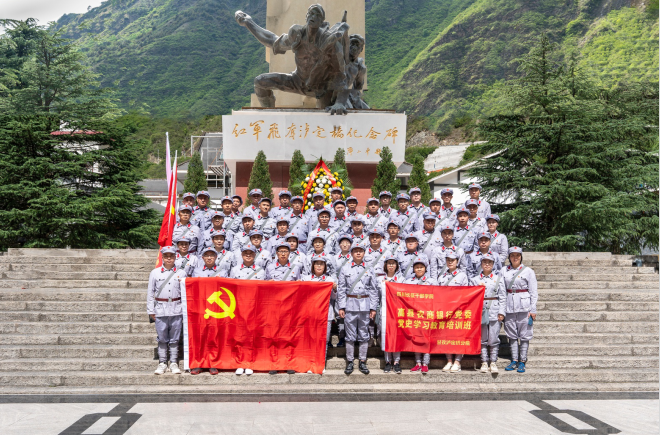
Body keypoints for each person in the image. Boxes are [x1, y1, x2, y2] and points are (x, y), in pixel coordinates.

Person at [337, 243, 378, 375]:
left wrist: (373, 308)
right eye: (356, 251)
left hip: (365, 305)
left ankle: (362, 360)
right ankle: (350, 361)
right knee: (349, 335)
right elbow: (341, 289)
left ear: (364, 253)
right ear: (351, 253)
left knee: (364, 334)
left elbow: (373, 290)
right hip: (350, 304)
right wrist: (341, 306)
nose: (358, 253)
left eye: (361, 251)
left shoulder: (369, 269)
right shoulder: (345, 268)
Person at [147, 246, 186, 375]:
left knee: (175, 338)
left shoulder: (181, 273)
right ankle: (162, 362)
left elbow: (185, 293)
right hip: (160, 309)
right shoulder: (155, 273)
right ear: (162, 258)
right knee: (162, 338)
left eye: (171, 256)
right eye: (166, 256)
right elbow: (150, 292)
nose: (169, 258)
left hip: (176, 308)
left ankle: (174, 362)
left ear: (175, 257)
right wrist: (150, 310)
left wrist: (184, 310)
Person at [229, 244, 266, 377]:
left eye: (251, 253)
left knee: (252, 336)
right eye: (245, 253)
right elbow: (230, 289)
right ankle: (240, 362)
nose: (248, 255)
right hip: (239, 307)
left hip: (254, 308)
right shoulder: (235, 270)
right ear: (242, 255)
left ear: (255, 255)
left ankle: (250, 362)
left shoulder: (261, 271)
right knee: (239, 336)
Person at [503, 247, 538, 374]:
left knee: (524, 334)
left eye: (517, 255)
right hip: (509, 305)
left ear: (521, 257)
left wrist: (533, 309)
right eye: (512, 255)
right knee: (511, 334)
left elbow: (533, 291)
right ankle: (514, 359)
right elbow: (501, 289)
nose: (515, 258)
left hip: (524, 306)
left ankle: (522, 360)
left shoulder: (528, 271)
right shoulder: (503, 270)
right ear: (509, 257)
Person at [470, 253, 506, 373]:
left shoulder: (498, 279)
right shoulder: (475, 280)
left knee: (494, 338)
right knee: (483, 338)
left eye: (489, 262)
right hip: (480, 310)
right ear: (481, 264)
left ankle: (493, 362)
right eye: (484, 262)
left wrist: (502, 312)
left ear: (493, 264)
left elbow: (502, 297)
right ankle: (484, 361)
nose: (487, 264)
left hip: (494, 310)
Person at [301, 255, 336, 373]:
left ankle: (321, 363)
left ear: (325, 266)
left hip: (326, 313)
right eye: (317, 263)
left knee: (323, 339)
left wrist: (334, 289)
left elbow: (334, 297)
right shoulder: (306, 279)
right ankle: (309, 363)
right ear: (313, 266)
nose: (319, 266)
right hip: (310, 313)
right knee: (310, 339)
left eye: (321, 264)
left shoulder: (330, 280)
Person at [403, 256, 436, 374]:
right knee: (416, 338)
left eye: (421, 267)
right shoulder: (408, 282)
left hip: (427, 313)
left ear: (425, 268)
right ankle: (418, 363)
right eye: (417, 267)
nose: (419, 269)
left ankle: (425, 363)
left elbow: (437, 296)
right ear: (413, 269)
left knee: (427, 338)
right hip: (414, 314)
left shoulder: (431, 281)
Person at [438, 252, 469, 373]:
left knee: (459, 337)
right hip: (445, 311)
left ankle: (457, 361)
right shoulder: (442, 277)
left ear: (457, 261)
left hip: (458, 311)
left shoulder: (462, 276)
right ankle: (449, 360)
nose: (450, 262)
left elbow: (466, 294)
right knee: (446, 336)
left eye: (453, 260)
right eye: (448, 260)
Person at [377, 253, 403, 373]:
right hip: (384, 312)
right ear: (385, 265)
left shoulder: (401, 279)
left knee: (397, 336)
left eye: (393, 263)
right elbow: (376, 296)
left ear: (397, 265)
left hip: (397, 312)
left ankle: (396, 362)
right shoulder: (380, 280)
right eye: (389, 263)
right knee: (385, 336)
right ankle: (387, 361)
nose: (391, 265)